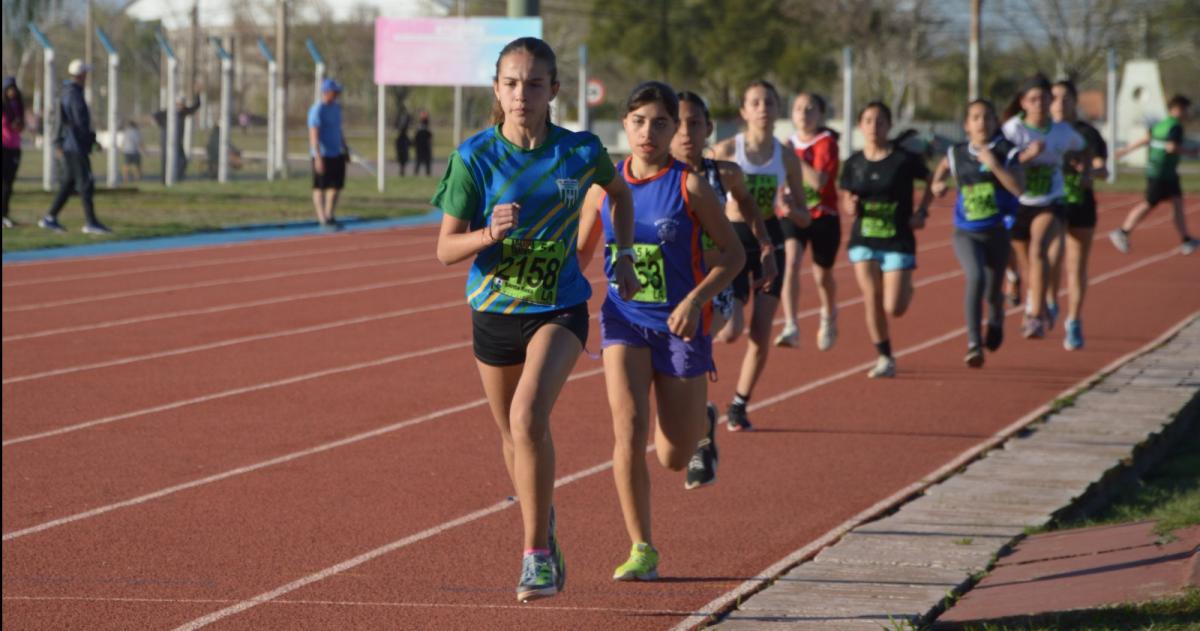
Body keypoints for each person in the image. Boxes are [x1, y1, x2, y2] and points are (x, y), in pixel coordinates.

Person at [432, 37, 638, 603]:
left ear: (554, 90)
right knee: (512, 435)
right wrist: (488, 234)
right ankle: (543, 517)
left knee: (527, 418)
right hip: (494, 311)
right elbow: (446, 249)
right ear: (498, 89)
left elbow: (619, 195)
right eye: (512, 83)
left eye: (535, 83)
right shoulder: (474, 158)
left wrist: (620, 257)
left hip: (560, 306)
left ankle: (536, 557)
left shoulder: (580, 151)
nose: (523, 93)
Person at [577, 82, 744, 582]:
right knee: (627, 429)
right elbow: (580, 254)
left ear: (675, 128)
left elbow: (734, 255)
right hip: (623, 320)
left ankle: (702, 425)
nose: (649, 132)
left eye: (661, 123)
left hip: (680, 325)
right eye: (639, 121)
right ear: (624, 124)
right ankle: (641, 547)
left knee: (673, 454)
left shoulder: (690, 186)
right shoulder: (601, 188)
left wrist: (695, 300)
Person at [710, 80, 810, 431]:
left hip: (770, 242)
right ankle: (694, 372)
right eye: (755, 102)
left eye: (769, 101)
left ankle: (739, 403)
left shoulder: (786, 158)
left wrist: (790, 209)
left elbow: (804, 213)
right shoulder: (724, 150)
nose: (763, 108)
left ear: (778, 109)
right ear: (744, 111)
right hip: (734, 242)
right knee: (731, 330)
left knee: (760, 332)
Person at [669, 91, 775, 353]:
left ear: (708, 128)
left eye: (694, 123)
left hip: (713, 286)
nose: (685, 132)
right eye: (678, 124)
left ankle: (696, 392)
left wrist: (765, 245)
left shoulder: (725, 173)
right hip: (670, 283)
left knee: (693, 347)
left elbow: (747, 202)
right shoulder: (657, 177)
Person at [840, 101, 932, 378]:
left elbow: (932, 179)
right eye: (868, 121)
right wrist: (851, 205)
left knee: (894, 307)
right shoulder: (853, 162)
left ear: (889, 126)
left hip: (898, 238)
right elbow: (846, 196)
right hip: (864, 239)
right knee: (872, 297)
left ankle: (905, 289)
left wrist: (922, 210)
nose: (873, 127)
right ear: (860, 125)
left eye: (880, 121)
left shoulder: (904, 159)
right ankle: (884, 357)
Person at [931, 99, 1024, 367]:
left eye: (987, 117)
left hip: (997, 231)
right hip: (966, 232)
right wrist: (938, 184)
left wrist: (994, 165)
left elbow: (1018, 189)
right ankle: (974, 344)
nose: (981, 123)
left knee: (994, 292)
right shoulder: (956, 152)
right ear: (966, 125)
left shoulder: (1007, 151)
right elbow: (941, 172)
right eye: (975, 118)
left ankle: (996, 320)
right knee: (975, 276)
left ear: (995, 122)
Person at [1001, 74, 1085, 339]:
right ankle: (1036, 303)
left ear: (1051, 101)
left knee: (1039, 249)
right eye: (1033, 99)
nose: (1039, 103)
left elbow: (1084, 147)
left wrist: (1084, 166)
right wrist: (1027, 157)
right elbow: (1001, 163)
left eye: (1044, 98)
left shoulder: (1062, 131)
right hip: (1019, 204)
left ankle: (1034, 315)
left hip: (1051, 202)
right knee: (1028, 266)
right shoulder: (1013, 130)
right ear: (1023, 102)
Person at [778, 92, 842, 350]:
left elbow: (818, 181)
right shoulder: (784, 145)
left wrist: (792, 156)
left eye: (810, 109)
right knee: (791, 262)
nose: (803, 114)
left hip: (823, 215)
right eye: (798, 109)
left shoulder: (827, 143)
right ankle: (791, 325)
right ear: (791, 114)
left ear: (820, 114)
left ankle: (828, 314)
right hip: (794, 213)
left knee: (821, 276)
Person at [1047, 80, 1107, 350]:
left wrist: (1088, 173)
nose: (1060, 104)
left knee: (1077, 266)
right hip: (1053, 205)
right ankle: (1049, 301)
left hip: (1081, 204)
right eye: (1055, 98)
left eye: (1065, 98)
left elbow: (1102, 170)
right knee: (1051, 257)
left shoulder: (1088, 134)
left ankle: (1073, 320)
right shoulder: (1043, 132)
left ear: (1074, 102)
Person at [1110, 94, 1199, 255]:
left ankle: (1186, 238)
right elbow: (1171, 147)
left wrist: (1126, 150)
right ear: (1178, 109)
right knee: (1148, 203)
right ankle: (1123, 231)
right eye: (1186, 110)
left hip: (1161, 172)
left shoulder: (1161, 124)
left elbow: (1146, 139)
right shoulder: (1175, 127)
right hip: (1162, 173)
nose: (1188, 114)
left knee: (1178, 203)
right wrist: (1191, 152)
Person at [39, 60, 109, 235]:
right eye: (85, 73)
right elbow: (80, 123)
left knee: (68, 183)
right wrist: (92, 141)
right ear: (81, 75)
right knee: (85, 183)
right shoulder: (74, 95)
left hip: (71, 144)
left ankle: (50, 217)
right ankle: (90, 222)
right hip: (75, 146)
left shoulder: (69, 92)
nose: (87, 77)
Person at [308, 78, 348, 228]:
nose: (337, 94)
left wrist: (345, 147)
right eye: (334, 92)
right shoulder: (317, 109)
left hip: (336, 152)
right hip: (322, 154)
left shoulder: (336, 108)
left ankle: (329, 214)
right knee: (320, 186)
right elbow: (314, 134)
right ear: (327, 92)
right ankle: (322, 218)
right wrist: (318, 157)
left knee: (335, 186)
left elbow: (338, 129)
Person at [153, 94, 201, 182]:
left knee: (183, 160)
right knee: (166, 161)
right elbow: (155, 116)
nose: (181, 106)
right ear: (176, 104)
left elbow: (195, 107)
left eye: (183, 104)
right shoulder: (168, 112)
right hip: (166, 140)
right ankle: (164, 180)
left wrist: (197, 94)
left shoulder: (183, 112)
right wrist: (163, 125)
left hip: (177, 141)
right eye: (179, 104)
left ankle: (177, 178)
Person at [2, 76, 24, 228]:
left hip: (14, 147)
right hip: (3, 146)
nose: (12, 92)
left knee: (9, 185)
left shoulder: (18, 105)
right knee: (4, 184)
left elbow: (20, 126)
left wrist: (18, 125)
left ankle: (5, 215)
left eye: (13, 88)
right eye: (9, 89)